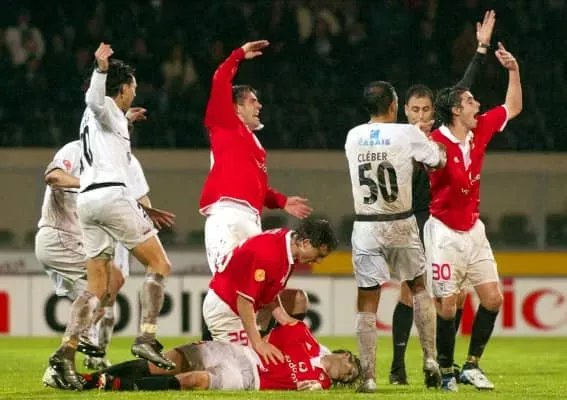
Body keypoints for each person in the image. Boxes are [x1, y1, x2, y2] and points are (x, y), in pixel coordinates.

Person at [47, 42, 176, 390]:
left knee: (97, 288)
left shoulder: (110, 119)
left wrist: (127, 119)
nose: (136, 91)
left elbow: (105, 125)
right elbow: (94, 100)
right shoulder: (101, 104)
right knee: (160, 264)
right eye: (133, 86)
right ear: (122, 89)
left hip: (88, 203)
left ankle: (66, 352)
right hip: (110, 195)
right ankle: (146, 337)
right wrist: (100, 70)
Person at [389, 10, 496, 385]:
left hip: (438, 219)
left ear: (435, 112)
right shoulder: (401, 140)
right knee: (410, 293)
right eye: (414, 109)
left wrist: (481, 50)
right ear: (404, 111)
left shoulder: (439, 136)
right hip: (414, 220)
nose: (421, 115)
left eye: (426, 110)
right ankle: (399, 366)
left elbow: (464, 86)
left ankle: (441, 365)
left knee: (454, 297)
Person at [425, 42, 522, 391]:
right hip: (444, 233)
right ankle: (445, 370)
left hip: (473, 230)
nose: (477, 105)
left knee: (493, 299)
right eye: (470, 101)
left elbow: (513, 107)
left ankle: (471, 365)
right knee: (448, 307)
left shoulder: (479, 129)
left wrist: (514, 70)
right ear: (455, 110)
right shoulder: (434, 143)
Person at [344, 80, 447, 392]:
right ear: (393, 106)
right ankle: (430, 360)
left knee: (367, 301)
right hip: (400, 221)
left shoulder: (353, 135)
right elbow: (438, 160)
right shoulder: (406, 133)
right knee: (418, 287)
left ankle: (369, 377)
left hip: (365, 225)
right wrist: (428, 140)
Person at [37, 140, 154, 371]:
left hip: (92, 239)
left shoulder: (128, 161)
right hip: (62, 236)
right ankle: (83, 336)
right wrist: (91, 185)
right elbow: (53, 176)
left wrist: (149, 219)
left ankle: (62, 362)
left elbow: (141, 199)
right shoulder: (75, 150)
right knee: (110, 282)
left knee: (103, 296)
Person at [200, 40, 313, 277]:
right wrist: (238, 54)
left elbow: (255, 184)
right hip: (227, 216)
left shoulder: (254, 144)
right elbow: (220, 79)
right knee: (227, 286)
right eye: (253, 101)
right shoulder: (224, 123)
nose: (259, 105)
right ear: (235, 108)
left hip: (251, 220)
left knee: (256, 288)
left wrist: (281, 201)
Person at [44, 322, 361, 392]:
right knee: (162, 364)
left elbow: (314, 386)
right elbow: (273, 322)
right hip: (237, 351)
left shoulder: (321, 382)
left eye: (349, 379)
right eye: (350, 368)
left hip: (247, 378)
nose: (346, 376)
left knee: (193, 380)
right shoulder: (303, 336)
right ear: (344, 354)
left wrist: (316, 387)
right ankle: (78, 377)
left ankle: (98, 383)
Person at [203, 218, 338, 365]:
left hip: (240, 306)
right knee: (243, 369)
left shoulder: (288, 245)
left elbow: (268, 291)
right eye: (319, 255)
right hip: (226, 309)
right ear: (305, 243)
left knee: (265, 364)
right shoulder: (269, 253)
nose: (319, 261)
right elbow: (244, 301)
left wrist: (284, 319)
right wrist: (258, 343)